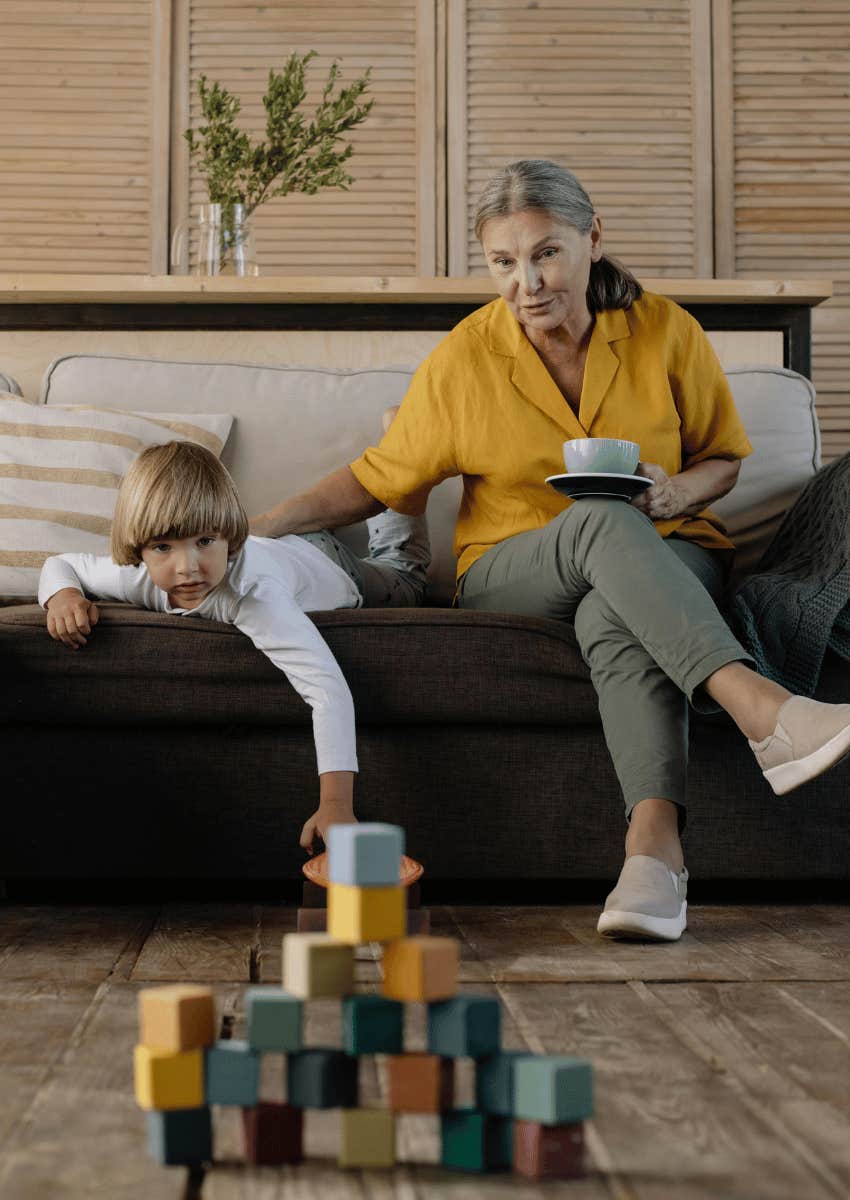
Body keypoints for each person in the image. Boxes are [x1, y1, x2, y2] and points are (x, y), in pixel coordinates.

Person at [249, 158, 850, 943]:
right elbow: (375, 478)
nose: (526, 282)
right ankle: (761, 710)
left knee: (613, 605)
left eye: (545, 253)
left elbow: (724, 457)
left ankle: (652, 859)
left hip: (671, 547)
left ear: (591, 239)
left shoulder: (666, 330)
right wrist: (253, 530)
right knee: (602, 523)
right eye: (504, 262)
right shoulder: (465, 357)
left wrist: (675, 494)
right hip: (511, 570)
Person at [38, 417, 429, 855]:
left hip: (333, 564)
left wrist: (336, 804)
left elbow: (326, 689)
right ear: (140, 549)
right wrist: (63, 597)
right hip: (283, 549)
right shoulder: (135, 576)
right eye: (164, 547)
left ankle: (405, 446)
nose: (186, 567)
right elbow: (61, 563)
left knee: (404, 575)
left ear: (228, 535)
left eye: (205, 540)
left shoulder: (254, 596)